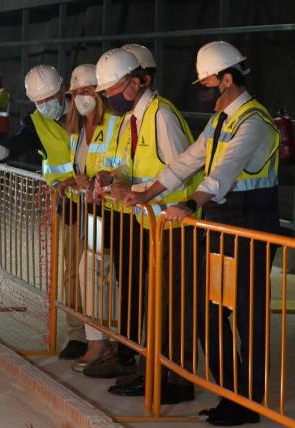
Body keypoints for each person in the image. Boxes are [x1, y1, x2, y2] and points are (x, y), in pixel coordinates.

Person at [125, 41, 278, 426]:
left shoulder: (253, 122)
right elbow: (186, 162)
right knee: (210, 312)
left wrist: (190, 205)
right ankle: (230, 393)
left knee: (246, 317)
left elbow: (221, 175)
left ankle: (250, 402)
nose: (202, 89)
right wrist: (144, 194)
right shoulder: (221, 120)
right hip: (223, 231)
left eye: (207, 81)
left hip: (251, 233)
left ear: (227, 79)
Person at [88, 48, 200, 407]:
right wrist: (112, 176)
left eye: (114, 90)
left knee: (174, 309)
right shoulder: (132, 118)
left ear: (136, 82)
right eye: (107, 93)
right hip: (150, 226)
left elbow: (183, 172)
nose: (111, 98)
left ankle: (177, 380)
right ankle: (154, 369)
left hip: (173, 225)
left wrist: (135, 190)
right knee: (157, 306)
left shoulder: (161, 115)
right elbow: (129, 164)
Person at [0, 65, 87, 359]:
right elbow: (17, 145)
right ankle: (80, 334)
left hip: (105, 203)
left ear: (64, 90)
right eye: (39, 101)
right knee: (73, 270)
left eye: (50, 97)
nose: (46, 104)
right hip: (72, 205)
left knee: (103, 271)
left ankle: (113, 338)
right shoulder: (36, 121)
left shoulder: (88, 110)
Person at [57, 64, 122, 372]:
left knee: (96, 272)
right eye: (77, 93)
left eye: (86, 91)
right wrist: (70, 182)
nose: (81, 98)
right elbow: (79, 170)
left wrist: (95, 180)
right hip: (92, 213)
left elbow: (120, 164)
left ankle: (102, 342)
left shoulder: (113, 124)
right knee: (92, 272)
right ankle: (101, 340)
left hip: (113, 212)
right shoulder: (80, 129)